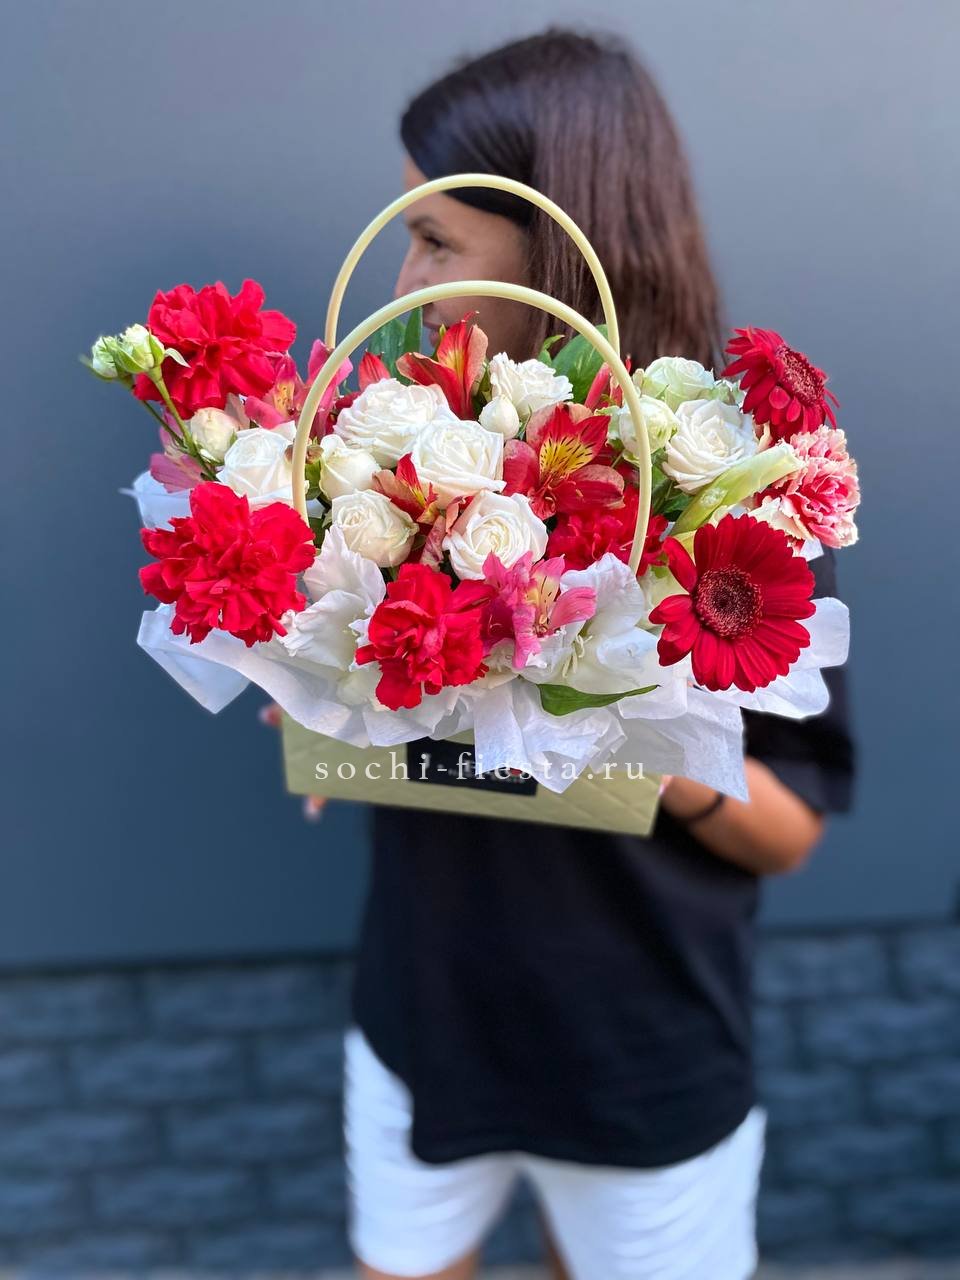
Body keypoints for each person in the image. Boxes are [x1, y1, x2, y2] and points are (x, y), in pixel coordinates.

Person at [314, 28, 855, 1280]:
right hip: (424, 1019)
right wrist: (336, 706)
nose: (406, 275)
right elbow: (369, 721)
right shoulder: (400, 460)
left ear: (558, 248)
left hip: (639, 1054)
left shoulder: (733, 493)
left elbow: (788, 829)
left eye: (435, 239)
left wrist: (629, 725)